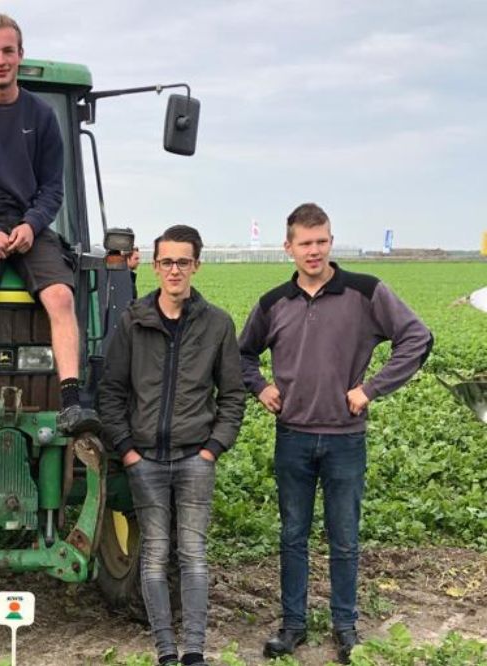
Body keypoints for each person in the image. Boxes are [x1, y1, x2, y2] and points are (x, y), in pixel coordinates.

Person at [239, 203, 432, 664]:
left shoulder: (365, 293)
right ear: (288, 248)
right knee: (293, 535)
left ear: (331, 241)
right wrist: (261, 386)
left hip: (346, 437)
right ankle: (293, 625)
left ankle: (346, 627)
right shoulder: (272, 303)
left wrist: (371, 388)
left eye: (322, 241)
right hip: (294, 436)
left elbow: (417, 338)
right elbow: (241, 356)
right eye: (305, 243)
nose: (314, 251)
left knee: (344, 537)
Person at [0, 13, 98, 438]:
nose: (0, 60)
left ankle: (69, 402)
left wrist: (31, 225)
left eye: (8, 51)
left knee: (63, 296)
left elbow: (52, 188)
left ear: (20, 56)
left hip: (30, 224)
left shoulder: (42, 117)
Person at [99, 225, 245, 666]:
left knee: (194, 554)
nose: (175, 270)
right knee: (155, 554)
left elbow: (233, 396)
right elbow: (111, 392)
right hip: (144, 460)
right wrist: (127, 451)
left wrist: (213, 448)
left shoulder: (217, 324)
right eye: (167, 262)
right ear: (155, 265)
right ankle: (165, 650)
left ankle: (194, 652)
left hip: (195, 457)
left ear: (196, 265)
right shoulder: (133, 321)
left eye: (183, 262)